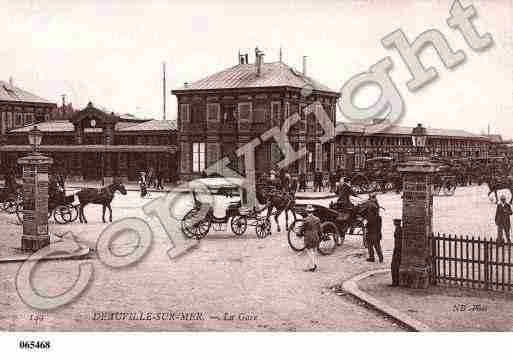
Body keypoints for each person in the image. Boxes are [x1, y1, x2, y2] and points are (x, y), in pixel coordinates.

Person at [303, 204, 321, 272]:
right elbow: (320, 229)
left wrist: (299, 233)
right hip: (315, 236)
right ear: (312, 212)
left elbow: (302, 229)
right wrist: (320, 236)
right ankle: (313, 265)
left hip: (308, 237)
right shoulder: (317, 219)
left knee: (309, 252)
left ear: (307, 212)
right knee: (314, 251)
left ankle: (313, 266)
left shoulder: (305, 220)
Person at [391, 219, 403, 286]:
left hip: (397, 249)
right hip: (397, 248)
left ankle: (395, 282)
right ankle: (395, 281)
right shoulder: (398, 229)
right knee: (395, 265)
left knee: (394, 265)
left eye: (395, 222)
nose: (394, 223)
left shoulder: (399, 229)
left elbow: (398, 240)